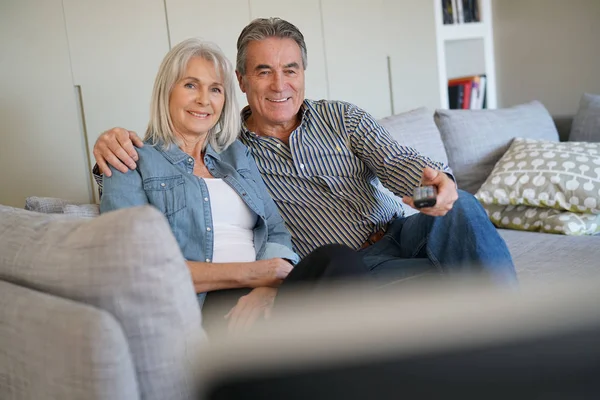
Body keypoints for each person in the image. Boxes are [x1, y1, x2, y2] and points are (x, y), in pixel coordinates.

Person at [93, 18, 517, 285]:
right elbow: (176, 147)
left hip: (404, 227)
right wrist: (112, 143)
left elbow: (396, 163)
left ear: (303, 74)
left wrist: (436, 184)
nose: (280, 85)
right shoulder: (231, 153)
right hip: (353, 265)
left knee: (461, 205)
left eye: (290, 70)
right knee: (449, 284)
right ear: (241, 81)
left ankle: (516, 340)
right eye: (264, 72)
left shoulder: (342, 117)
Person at [99, 38, 370, 335]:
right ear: (167, 91)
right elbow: (136, 270)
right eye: (191, 85)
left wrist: (267, 289)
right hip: (206, 303)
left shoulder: (236, 156)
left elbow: (276, 230)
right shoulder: (128, 159)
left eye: (215, 89)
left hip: (264, 291)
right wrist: (254, 275)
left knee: (339, 260)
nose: (204, 100)